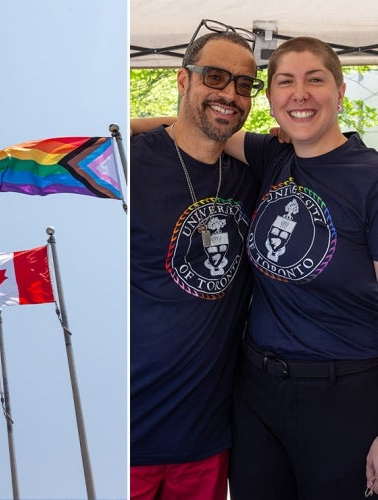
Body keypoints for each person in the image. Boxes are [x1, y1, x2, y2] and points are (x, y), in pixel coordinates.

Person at [208, 36, 378, 500]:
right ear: (271, 99)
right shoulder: (272, 156)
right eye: (285, 82)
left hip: (346, 396)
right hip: (258, 393)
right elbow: (197, 128)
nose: (299, 94)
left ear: (341, 92)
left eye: (315, 80)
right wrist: (123, 124)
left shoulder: (370, 177)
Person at [130, 29, 261, 499]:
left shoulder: (252, 178)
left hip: (206, 439)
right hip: (124, 434)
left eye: (245, 84)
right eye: (216, 77)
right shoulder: (128, 164)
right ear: (183, 80)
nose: (230, 94)